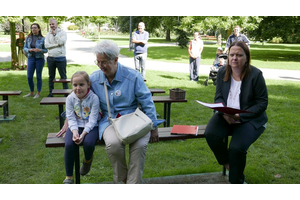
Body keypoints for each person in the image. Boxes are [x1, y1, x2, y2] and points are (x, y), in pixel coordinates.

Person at [57, 40, 161, 184]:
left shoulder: (133, 77)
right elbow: (77, 97)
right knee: (113, 144)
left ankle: (133, 184)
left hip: (134, 119)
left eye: (104, 62)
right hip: (109, 120)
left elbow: (147, 102)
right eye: (98, 62)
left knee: (139, 146)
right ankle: (121, 181)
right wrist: (67, 121)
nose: (100, 66)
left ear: (116, 59)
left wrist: (154, 127)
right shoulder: (94, 78)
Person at [204, 41, 268, 184]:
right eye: (232, 54)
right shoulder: (222, 72)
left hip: (250, 118)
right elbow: (219, 97)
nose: (234, 58)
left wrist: (241, 116)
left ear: (246, 57)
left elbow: (262, 103)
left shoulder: (256, 75)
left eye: (239, 55)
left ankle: (236, 181)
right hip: (226, 114)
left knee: (237, 148)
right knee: (210, 134)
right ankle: (230, 165)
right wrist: (224, 113)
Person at [62, 71, 101, 184]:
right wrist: (74, 132)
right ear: (72, 85)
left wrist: (83, 134)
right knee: (69, 144)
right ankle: (69, 176)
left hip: (91, 126)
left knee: (88, 143)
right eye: (75, 85)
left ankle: (87, 160)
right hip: (76, 125)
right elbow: (70, 117)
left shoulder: (94, 98)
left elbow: (93, 119)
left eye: (81, 84)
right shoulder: (70, 98)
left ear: (88, 84)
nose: (78, 88)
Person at [23, 23, 48, 99]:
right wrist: (29, 50)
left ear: (39, 29)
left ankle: (38, 93)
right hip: (30, 58)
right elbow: (25, 47)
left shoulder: (43, 39)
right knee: (29, 77)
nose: (33, 29)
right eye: (32, 28)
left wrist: (39, 50)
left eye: (35, 28)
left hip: (39, 59)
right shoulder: (28, 38)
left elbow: (46, 50)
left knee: (38, 76)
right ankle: (31, 92)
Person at [45, 18, 68, 97]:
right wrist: (56, 45)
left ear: (57, 24)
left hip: (60, 57)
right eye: (50, 24)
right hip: (50, 58)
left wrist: (55, 35)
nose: (51, 26)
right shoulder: (48, 34)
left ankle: (66, 93)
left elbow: (61, 42)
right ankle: (51, 93)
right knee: (51, 76)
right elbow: (46, 46)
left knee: (63, 76)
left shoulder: (62, 33)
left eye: (53, 24)